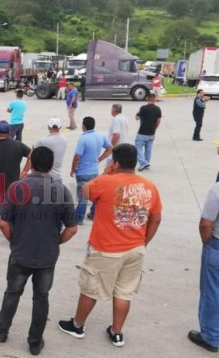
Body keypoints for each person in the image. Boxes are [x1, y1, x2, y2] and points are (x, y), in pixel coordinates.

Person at [59, 143, 162, 348]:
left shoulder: (106, 181)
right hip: (135, 249)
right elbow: (156, 218)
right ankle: (116, 332)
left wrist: (105, 173)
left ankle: (77, 325)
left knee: (92, 287)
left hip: (106, 249)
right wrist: (143, 242)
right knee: (124, 292)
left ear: (115, 162)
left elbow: (83, 193)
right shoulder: (149, 186)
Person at [0, 146, 78, 355]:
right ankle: (35, 343)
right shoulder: (60, 190)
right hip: (47, 257)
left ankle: (2, 330)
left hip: (21, 253)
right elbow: (72, 229)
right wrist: (55, 242)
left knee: (12, 293)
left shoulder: (17, 188)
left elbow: (3, 224)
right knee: (41, 298)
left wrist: (14, 241)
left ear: (31, 164)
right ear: (51, 165)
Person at [187, 182, 219, 353]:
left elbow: (205, 224)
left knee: (212, 291)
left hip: (217, 245)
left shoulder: (217, 190)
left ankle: (211, 337)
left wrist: (207, 242)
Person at [71, 117, 113, 224]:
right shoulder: (101, 136)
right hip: (94, 171)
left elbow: (77, 157)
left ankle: (79, 218)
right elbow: (110, 148)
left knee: (83, 197)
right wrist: (99, 159)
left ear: (83, 126)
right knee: (95, 194)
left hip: (82, 172)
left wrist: (73, 169)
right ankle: (93, 214)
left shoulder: (83, 139)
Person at [32, 118, 67, 182]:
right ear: (60, 127)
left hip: (44, 177)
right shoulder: (64, 140)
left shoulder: (43, 141)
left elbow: (33, 157)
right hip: (57, 177)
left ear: (48, 127)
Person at [135, 93, 162, 172]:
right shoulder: (158, 109)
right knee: (148, 148)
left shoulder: (143, 108)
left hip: (142, 132)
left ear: (147, 99)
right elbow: (158, 121)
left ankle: (143, 163)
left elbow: (137, 118)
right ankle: (146, 162)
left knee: (138, 147)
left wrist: (138, 113)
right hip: (152, 132)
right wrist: (154, 129)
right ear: (154, 99)